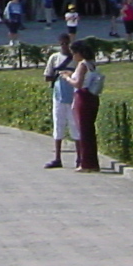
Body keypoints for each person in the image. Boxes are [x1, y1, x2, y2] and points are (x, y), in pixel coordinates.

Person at [68, 42, 105, 172]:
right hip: (92, 98)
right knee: (89, 130)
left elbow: (77, 84)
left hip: (82, 97)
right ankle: (92, 161)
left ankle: (86, 163)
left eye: (74, 53)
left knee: (83, 131)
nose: (73, 55)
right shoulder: (92, 64)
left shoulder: (82, 64)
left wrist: (67, 77)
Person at [44, 33, 77, 168]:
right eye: (62, 44)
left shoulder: (75, 59)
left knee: (75, 125)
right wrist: (59, 76)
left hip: (74, 96)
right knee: (58, 125)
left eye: (66, 43)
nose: (64, 46)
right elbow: (47, 76)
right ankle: (57, 157)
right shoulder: (55, 58)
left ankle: (79, 158)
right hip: (58, 95)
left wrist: (70, 75)